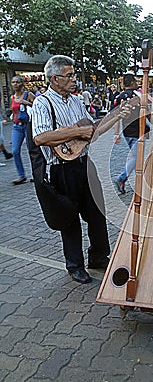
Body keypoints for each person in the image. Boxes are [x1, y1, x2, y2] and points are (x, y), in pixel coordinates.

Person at [31, 55, 125, 284]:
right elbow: (40, 137)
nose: (74, 80)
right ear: (55, 79)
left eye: (73, 75)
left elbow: (91, 131)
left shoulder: (76, 101)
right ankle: (74, 266)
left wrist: (115, 116)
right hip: (61, 170)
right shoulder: (42, 103)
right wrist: (75, 132)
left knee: (97, 214)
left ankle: (99, 257)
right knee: (70, 220)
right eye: (69, 76)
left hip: (84, 164)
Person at [114, 73, 149, 194]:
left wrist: (116, 133)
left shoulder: (120, 96)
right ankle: (121, 178)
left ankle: (139, 183)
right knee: (136, 157)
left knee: (137, 157)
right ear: (132, 83)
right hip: (137, 130)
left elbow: (116, 116)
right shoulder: (137, 95)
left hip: (126, 131)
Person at [10, 76, 35, 185]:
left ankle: (36, 174)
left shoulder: (28, 94)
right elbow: (14, 111)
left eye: (17, 82)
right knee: (15, 151)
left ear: (22, 83)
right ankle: (21, 175)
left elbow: (38, 106)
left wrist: (27, 103)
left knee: (31, 150)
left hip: (28, 125)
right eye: (13, 82)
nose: (15, 84)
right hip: (17, 126)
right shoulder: (12, 97)